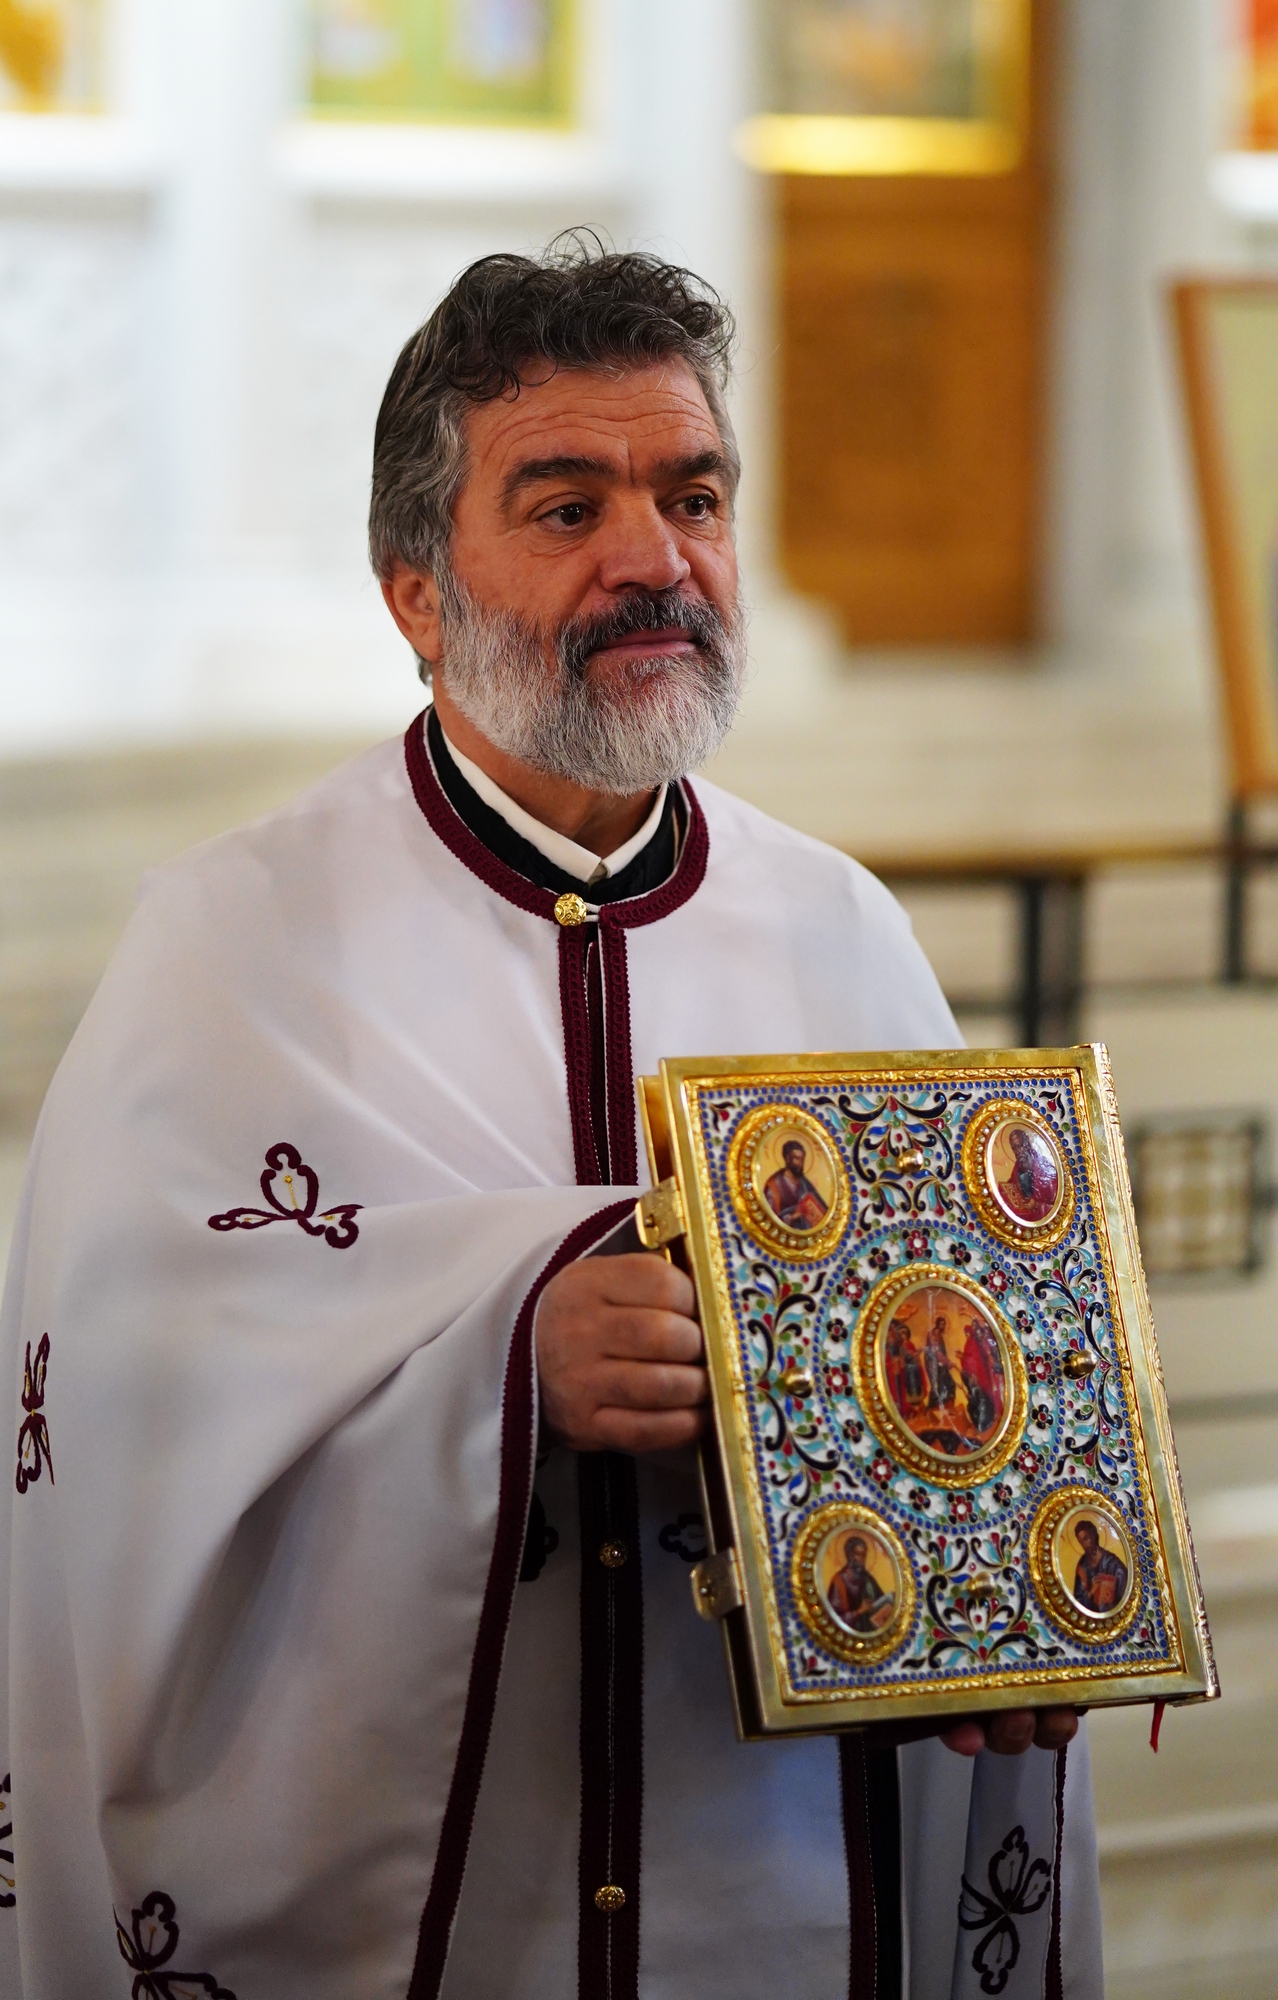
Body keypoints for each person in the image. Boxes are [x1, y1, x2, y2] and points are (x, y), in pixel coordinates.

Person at [0, 238, 1098, 2000]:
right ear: (415, 591)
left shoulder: (842, 933)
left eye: (693, 495)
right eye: (565, 505)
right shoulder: (230, 947)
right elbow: (105, 1440)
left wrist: (1018, 1579)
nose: (653, 561)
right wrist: (503, 1363)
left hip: (784, 1886)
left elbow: (976, 1379)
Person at [825, 1534, 893, 1635]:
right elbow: (832, 1620)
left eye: (864, 1554)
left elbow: (882, 1603)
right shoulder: (838, 1582)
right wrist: (858, 1612)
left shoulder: (868, 1579)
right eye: (858, 1554)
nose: (861, 1559)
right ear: (849, 1555)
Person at [762, 1137, 828, 1229]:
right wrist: (793, 1217)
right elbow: (768, 1217)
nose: (800, 1163)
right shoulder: (774, 1185)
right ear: (787, 1159)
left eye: (802, 1159)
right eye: (797, 1159)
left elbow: (823, 1213)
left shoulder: (805, 1183)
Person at [1072, 1518, 1130, 1614]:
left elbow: (1125, 1596)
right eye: (1081, 1541)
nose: (1084, 1545)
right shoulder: (1082, 1565)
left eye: (1086, 1539)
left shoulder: (1114, 1565)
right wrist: (1091, 1593)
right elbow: (1078, 1600)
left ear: (1094, 1535)